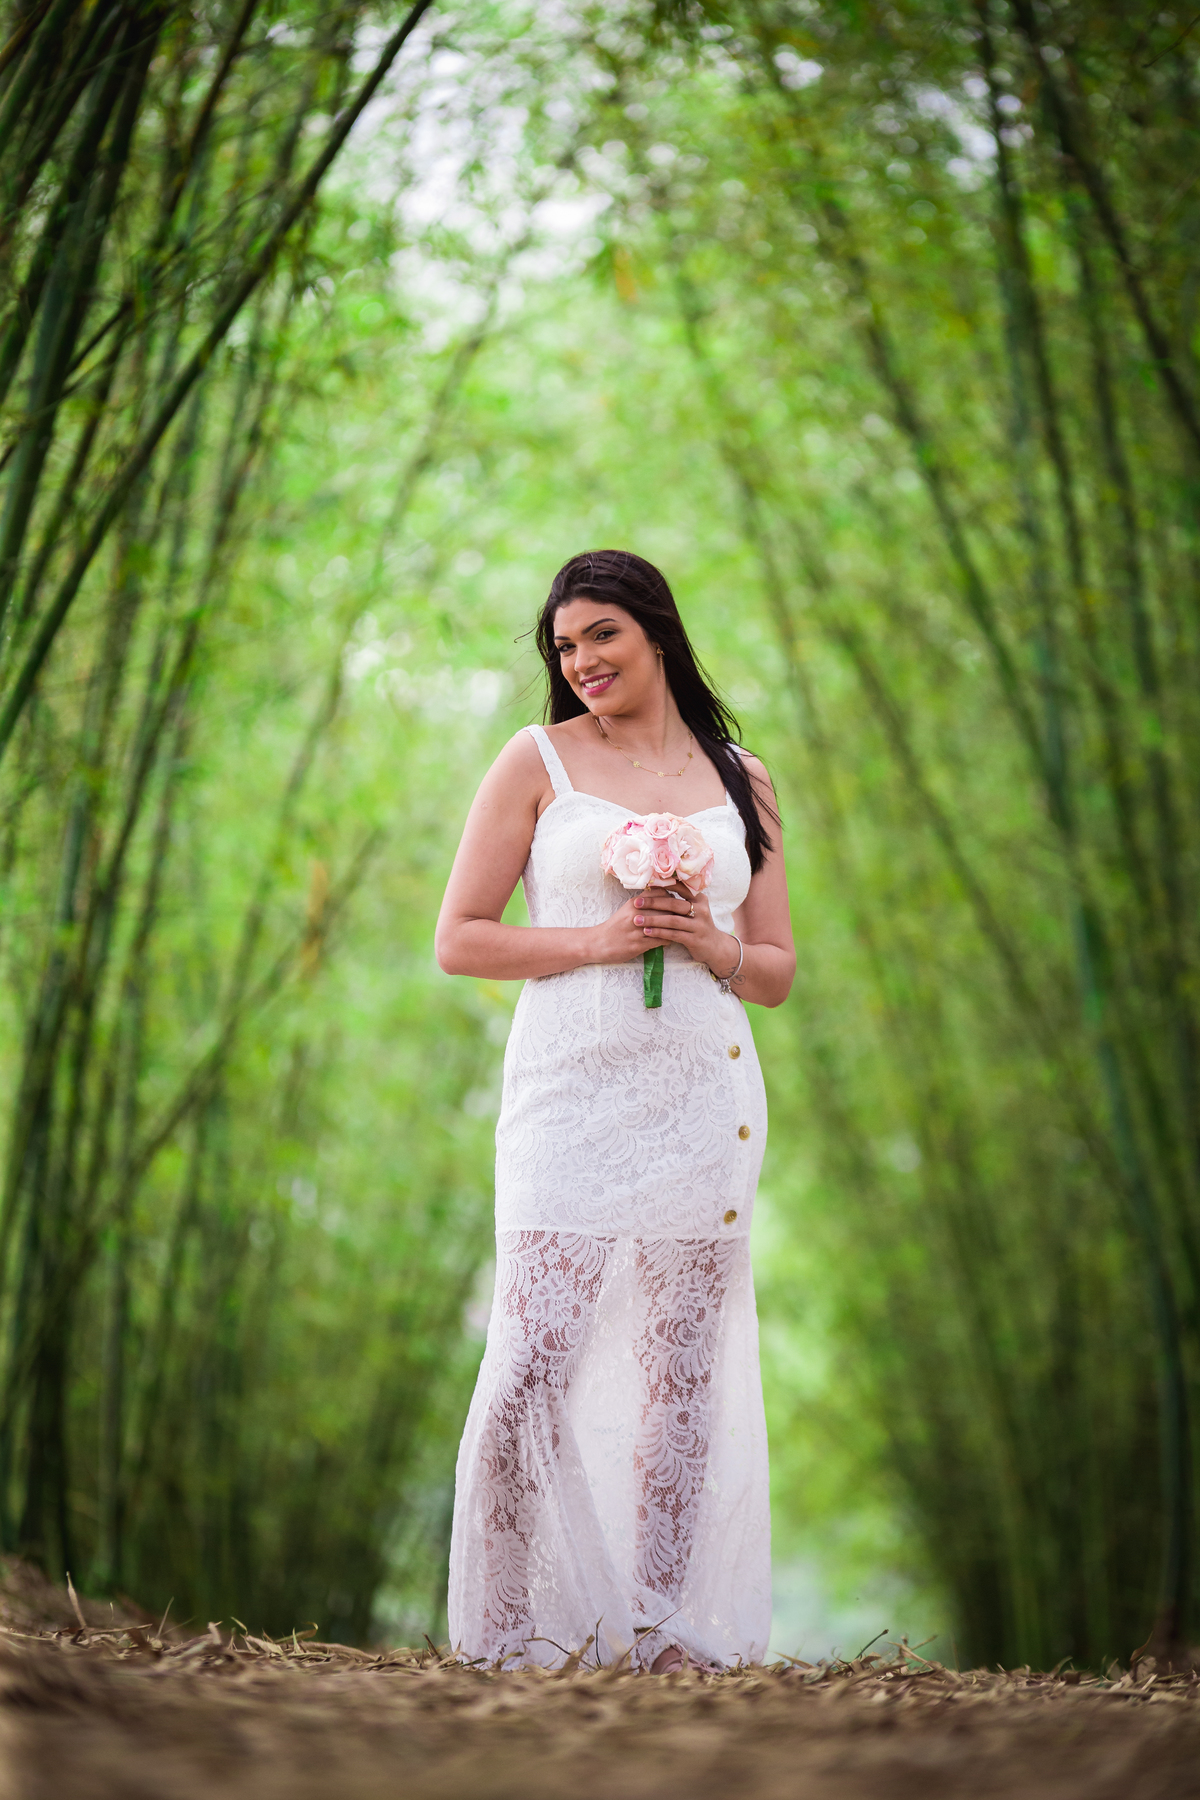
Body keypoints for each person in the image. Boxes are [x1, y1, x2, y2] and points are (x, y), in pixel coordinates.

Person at [435, 549, 795, 1672]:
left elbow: (776, 968)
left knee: (680, 1372)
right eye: (564, 646)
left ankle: (663, 1626)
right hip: (568, 1094)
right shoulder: (537, 759)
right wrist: (602, 939)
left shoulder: (742, 777)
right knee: (532, 1361)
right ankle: (509, 1629)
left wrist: (708, 942)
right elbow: (460, 939)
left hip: (702, 1092)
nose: (581, 661)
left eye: (601, 635)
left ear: (656, 631)